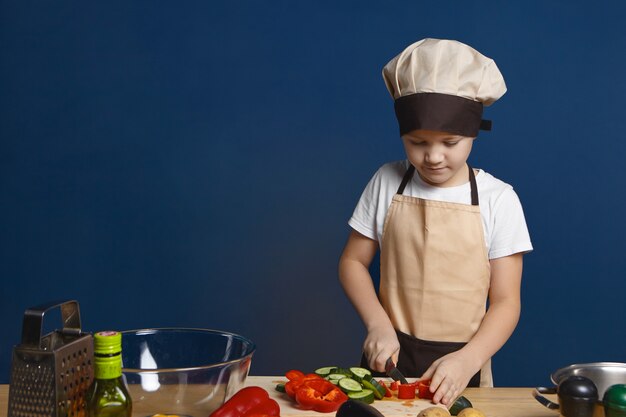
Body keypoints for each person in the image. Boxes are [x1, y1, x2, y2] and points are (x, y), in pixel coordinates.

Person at [338, 38, 533, 406]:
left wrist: (469, 359)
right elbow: (352, 262)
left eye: (450, 141)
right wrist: (377, 324)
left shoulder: (499, 199)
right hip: (388, 358)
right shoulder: (386, 181)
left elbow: (507, 302)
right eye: (417, 142)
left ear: (474, 133)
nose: (433, 157)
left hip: (463, 366)